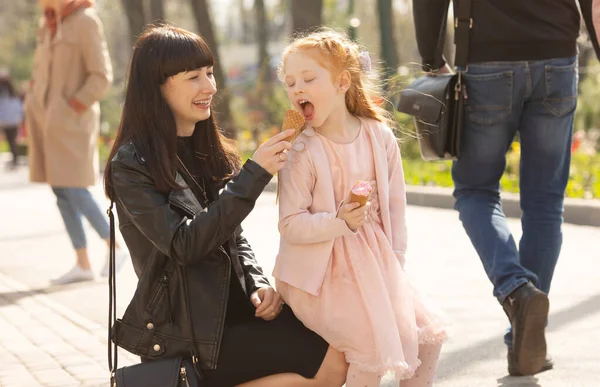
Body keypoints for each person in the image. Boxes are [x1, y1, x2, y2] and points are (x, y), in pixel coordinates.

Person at [103, 25, 348, 387]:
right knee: (330, 365)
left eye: (210, 73)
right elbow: (184, 245)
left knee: (338, 348)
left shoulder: (208, 148)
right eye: (193, 77)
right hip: (191, 336)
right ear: (156, 85)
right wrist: (254, 174)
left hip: (236, 312)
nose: (210, 87)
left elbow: (231, 236)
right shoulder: (131, 165)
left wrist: (257, 282)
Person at [412, 0, 600, 377]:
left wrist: (432, 57)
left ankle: (516, 291)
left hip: (485, 59)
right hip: (557, 55)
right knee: (545, 204)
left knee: (475, 191)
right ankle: (524, 339)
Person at [274, 30, 449, 387]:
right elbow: (290, 224)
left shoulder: (378, 136)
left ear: (342, 82)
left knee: (427, 337)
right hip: (319, 276)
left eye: (308, 78)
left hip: (375, 264)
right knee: (371, 350)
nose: (297, 89)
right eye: (290, 82)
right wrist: (337, 222)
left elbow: (395, 207)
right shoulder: (301, 150)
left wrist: (395, 265)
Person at [25, 0, 128, 284]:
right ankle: (82, 263)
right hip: (47, 124)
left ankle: (115, 246)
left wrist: (72, 107)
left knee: (74, 188)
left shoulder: (86, 20)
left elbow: (101, 76)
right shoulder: (48, 24)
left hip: (72, 123)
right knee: (60, 190)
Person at [0, 72, 23, 170]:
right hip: (13, 120)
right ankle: (15, 159)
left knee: (11, 141)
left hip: (7, 119)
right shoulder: (12, 92)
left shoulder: (4, 92)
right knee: (12, 141)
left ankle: (15, 160)